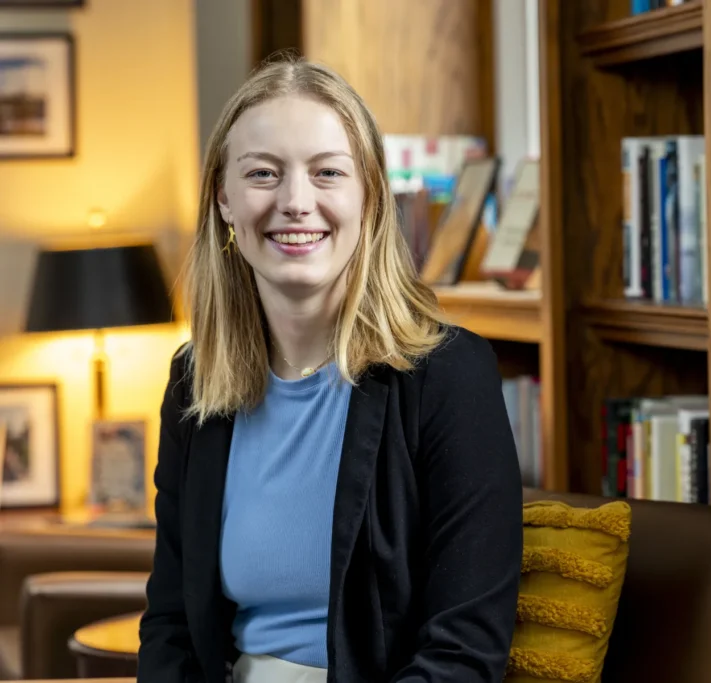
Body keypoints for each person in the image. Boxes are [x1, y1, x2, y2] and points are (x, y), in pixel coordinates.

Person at [137, 54, 524, 683]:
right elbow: (171, 625)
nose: (295, 202)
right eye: (263, 173)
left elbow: (464, 649)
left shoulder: (449, 376)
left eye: (327, 173)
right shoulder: (194, 380)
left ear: (369, 195)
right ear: (225, 200)